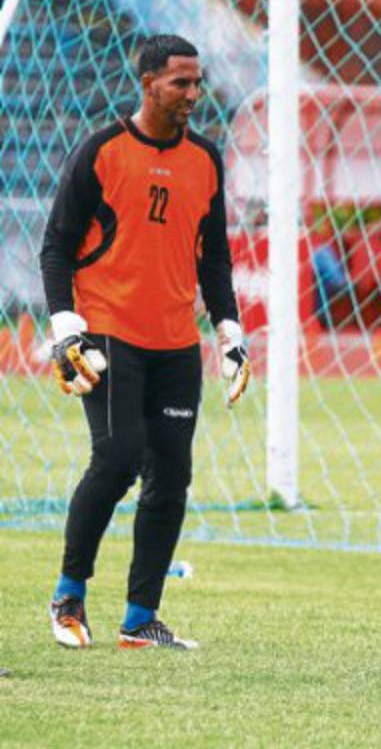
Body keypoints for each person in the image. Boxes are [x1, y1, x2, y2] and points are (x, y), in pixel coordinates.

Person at [39, 35, 249, 650]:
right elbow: (56, 246)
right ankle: (68, 596)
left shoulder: (207, 158)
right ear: (148, 82)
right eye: (181, 82)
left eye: (197, 82)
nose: (193, 93)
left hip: (176, 343)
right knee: (118, 459)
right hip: (108, 331)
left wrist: (230, 333)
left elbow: (215, 259)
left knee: (172, 475)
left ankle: (140, 619)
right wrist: (64, 326)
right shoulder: (102, 150)